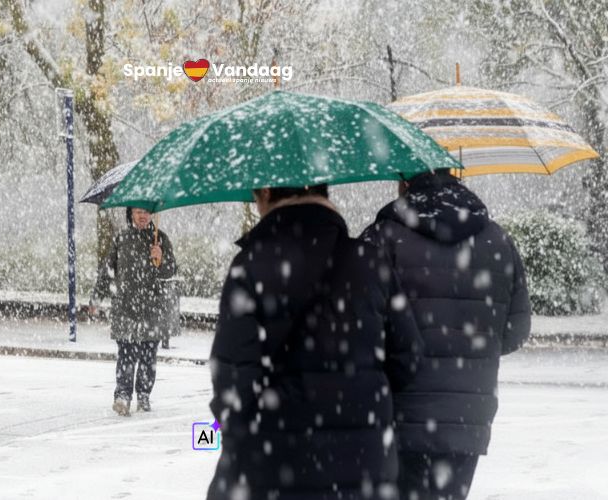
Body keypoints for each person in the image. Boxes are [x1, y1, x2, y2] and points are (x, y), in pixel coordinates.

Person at [207, 185, 423, 500]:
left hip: (275, 467)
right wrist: (363, 398)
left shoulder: (250, 265)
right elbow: (408, 357)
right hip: (364, 467)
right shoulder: (371, 262)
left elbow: (231, 379)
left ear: (266, 193)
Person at [361, 169, 532, 500]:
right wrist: (475, 347)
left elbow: (362, 325)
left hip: (400, 415)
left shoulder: (383, 236)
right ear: (453, 174)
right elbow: (516, 331)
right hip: (468, 416)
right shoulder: (497, 240)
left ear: (405, 180)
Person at [90, 207, 177, 416]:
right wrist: (96, 297)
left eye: (147, 212)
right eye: (138, 211)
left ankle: (144, 395)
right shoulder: (122, 238)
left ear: (153, 214)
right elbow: (108, 270)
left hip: (152, 309)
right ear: (131, 214)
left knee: (148, 357)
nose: (142, 215)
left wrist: (161, 258)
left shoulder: (160, 239)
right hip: (125, 308)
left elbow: (171, 271)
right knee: (126, 356)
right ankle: (122, 396)